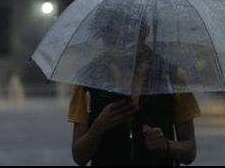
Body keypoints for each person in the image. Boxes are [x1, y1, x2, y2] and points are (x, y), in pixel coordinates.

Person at [68, 16, 200, 166]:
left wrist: (166, 145)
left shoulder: (172, 77)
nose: (120, 45)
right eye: (111, 39)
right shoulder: (88, 80)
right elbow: (79, 156)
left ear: (143, 34)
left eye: (127, 38)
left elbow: (190, 152)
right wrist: (99, 125)